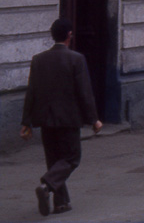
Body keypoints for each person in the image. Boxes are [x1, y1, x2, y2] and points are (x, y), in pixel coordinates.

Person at [19, 18, 103, 216]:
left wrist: (26, 122)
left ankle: (60, 203)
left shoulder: (38, 59)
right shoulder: (76, 59)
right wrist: (94, 119)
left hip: (45, 119)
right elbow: (84, 92)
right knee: (72, 158)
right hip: (68, 118)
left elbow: (31, 91)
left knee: (55, 160)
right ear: (69, 36)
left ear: (52, 35)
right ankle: (47, 186)